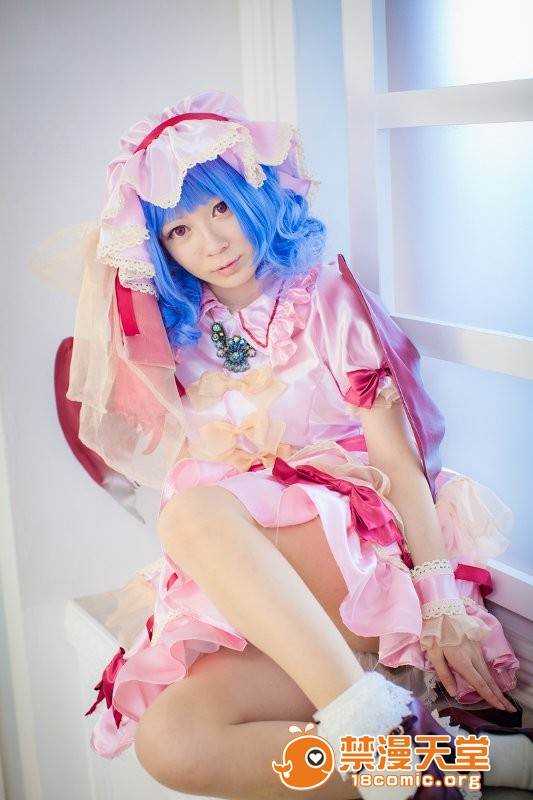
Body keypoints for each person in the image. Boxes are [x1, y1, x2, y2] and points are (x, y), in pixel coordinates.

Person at [54, 92, 532, 798]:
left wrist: (438, 602)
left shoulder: (327, 298)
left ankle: (376, 728)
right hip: (287, 612)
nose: (212, 242)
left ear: (255, 192)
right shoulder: (183, 336)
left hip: (355, 565)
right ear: (160, 249)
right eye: (180, 230)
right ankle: (455, 763)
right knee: (172, 741)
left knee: (189, 513)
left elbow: (398, 463)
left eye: (221, 208)